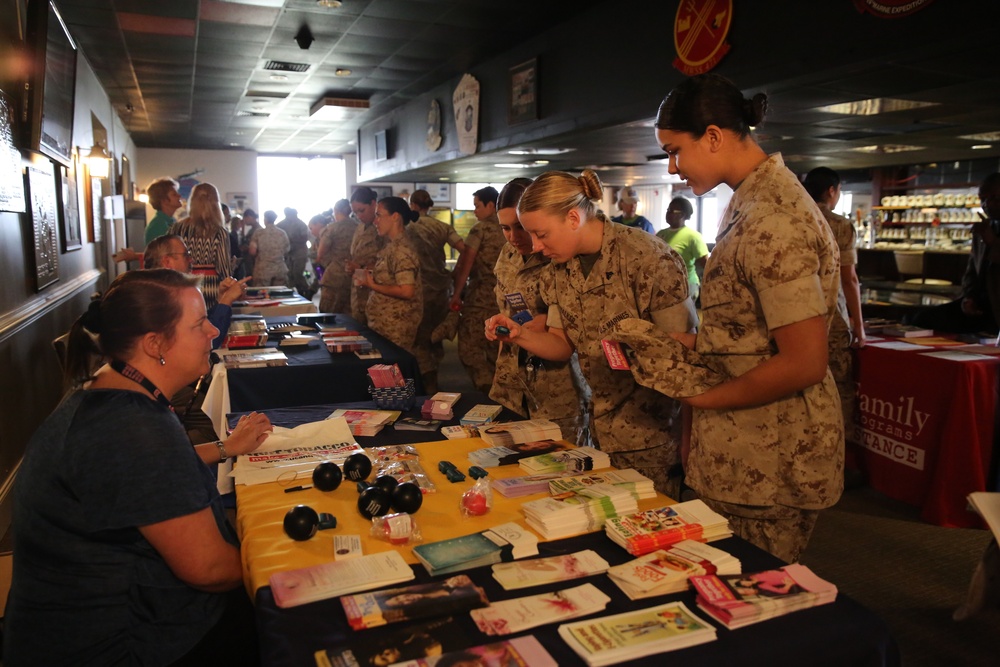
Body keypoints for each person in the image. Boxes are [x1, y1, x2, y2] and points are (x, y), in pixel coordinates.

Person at [4, 269, 273, 666]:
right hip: (121, 643)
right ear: (154, 344)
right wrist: (283, 560)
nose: (213, 333)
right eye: (199, 324)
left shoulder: (107, 390)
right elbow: (209, 568)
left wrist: (225, 448)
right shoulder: (132, 428)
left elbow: (147, 478)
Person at [653, 73, 843, 561]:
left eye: (675, 151)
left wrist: (706, 398)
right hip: (743, 448)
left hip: (768, 456)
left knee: (756, 601)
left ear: (713, 136)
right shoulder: (748, 202)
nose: (673, 168)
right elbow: (751, 333)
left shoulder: (774, 218)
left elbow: (804, 362)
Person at [484, 170, 696, 497]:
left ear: (572, 218)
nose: (536, 247)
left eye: (542, 234)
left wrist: (689, 442)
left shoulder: (649, 258)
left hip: (649, 437)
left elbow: (687, 355)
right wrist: (518, 335)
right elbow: (560, 344)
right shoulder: (560, 268)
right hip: (598, 433)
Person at [490, 177, 590, 445]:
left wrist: (547, 320)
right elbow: (506, 308)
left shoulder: (559, 254)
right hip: (511, 384)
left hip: (555, 386)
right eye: (505, 228)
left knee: (557, 471)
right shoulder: (507, 255)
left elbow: (570, 333)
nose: (514, 237)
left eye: (520, 227)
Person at [804, 166, 866, 446]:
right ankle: (841, 459)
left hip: (797, 318)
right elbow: (849, 278)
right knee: (838, 390)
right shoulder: (839, 225)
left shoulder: (796, 219)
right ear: (832, 191)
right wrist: (860, 327)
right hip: (834, 323)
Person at [911, 173, 1000, 335]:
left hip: (996, 308)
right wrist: (969, 297)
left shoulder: (987, 233)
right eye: (982, 199)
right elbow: (972, 273)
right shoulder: (983, 229)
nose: (986, 204)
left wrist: (993, 243)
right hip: (981, 304)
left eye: (994, 197)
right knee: (920, 320)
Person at [405, 189, 467, 393]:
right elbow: (464, 249)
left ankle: (425, 381)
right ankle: (434, 376)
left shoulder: (407, 226)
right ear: (429, 205)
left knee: (419, 337)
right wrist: (455, 272)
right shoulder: (442, 226)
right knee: (434, 335)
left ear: (412, 204)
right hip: (440, 290)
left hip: (417, 289)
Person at [451, 186, 505, 393]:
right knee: (496, 348)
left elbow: (466, 262)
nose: (475, 211)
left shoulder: (480, 229)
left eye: (477, 206)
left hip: (479, 299)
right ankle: (498, 390)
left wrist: (457, 293)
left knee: (469, 347)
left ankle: (484, 386)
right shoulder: (511, 227)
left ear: (491, 205)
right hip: (503, 301)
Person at [360, 196, 423, 353]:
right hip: (385, 327)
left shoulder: (401, 249)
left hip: (396, 329)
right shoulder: (392, 246)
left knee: (394, 374)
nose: (375, 221)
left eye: (379, 215)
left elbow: (406, 290)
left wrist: (372, 285)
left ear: (395, 217)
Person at [169, 182, 233, 308]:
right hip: (212, 289)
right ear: (216, 203)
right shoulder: (219, 232)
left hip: (183, 285)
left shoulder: (176, 228)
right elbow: (224, 268)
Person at [656, 197, 709, 301]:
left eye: (672, 211)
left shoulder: (693, 236)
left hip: (686, 284)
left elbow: (705, 263)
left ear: (683, 215)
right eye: (668, 210)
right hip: (665, 284)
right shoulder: (661, 234)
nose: (668, 213)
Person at [347, 187, 386, 325]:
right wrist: (352, 267)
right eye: (355, 212)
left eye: (361, 210)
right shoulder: (360, 227)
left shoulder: (383, 227)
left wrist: (362, 267)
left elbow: (388, 261)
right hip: (358, 289)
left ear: (373, 204)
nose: (359, 215)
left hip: (376, 290)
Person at [318, 199, 360, 314]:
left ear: (336, 210)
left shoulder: (332, 228)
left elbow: (320, 253)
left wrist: (328, 263)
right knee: (348, 316)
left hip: (334, 277)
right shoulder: (358, 227)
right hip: (353, 276)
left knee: (327, 314)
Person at [276, 207, 311, 297]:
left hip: (299, 253)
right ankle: (293, 293)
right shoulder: (282, 224)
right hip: (288, 254)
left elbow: (305, 238)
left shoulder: (301, 224)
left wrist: (293, 239)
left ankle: (305, 291)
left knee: (298, 274)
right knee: (289, 275)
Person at [250, 210, 290, 287]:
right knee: (278, 295)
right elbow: (287, 250)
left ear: (265, 219)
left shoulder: (259, 233)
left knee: (262, 295)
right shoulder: (282, 233)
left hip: (263, 271)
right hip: (279, 269)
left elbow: (252, 251)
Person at [144, 176, 183, 244]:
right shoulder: (158, 226)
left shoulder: (170, 221)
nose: (179, 196)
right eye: (174, 194)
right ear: (164, 200)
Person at [240, 208, 262, 279]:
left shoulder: (258, 230)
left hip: (254, 263)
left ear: (249, 217)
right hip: (249, 262)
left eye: (245, 218)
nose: (244, 221)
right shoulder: (252, 230)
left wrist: (246, 248)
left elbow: (258, 247)